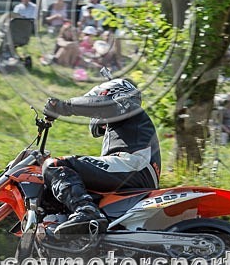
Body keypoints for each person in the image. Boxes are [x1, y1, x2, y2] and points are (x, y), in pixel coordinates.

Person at [43, 77, 160, 236]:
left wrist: (64, 107)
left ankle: (87, 212)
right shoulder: (123, 122)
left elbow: (105, 106)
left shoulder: (126, 105)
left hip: (134, 166)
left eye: (100, 96)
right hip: (133, 170)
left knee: (55, 165)